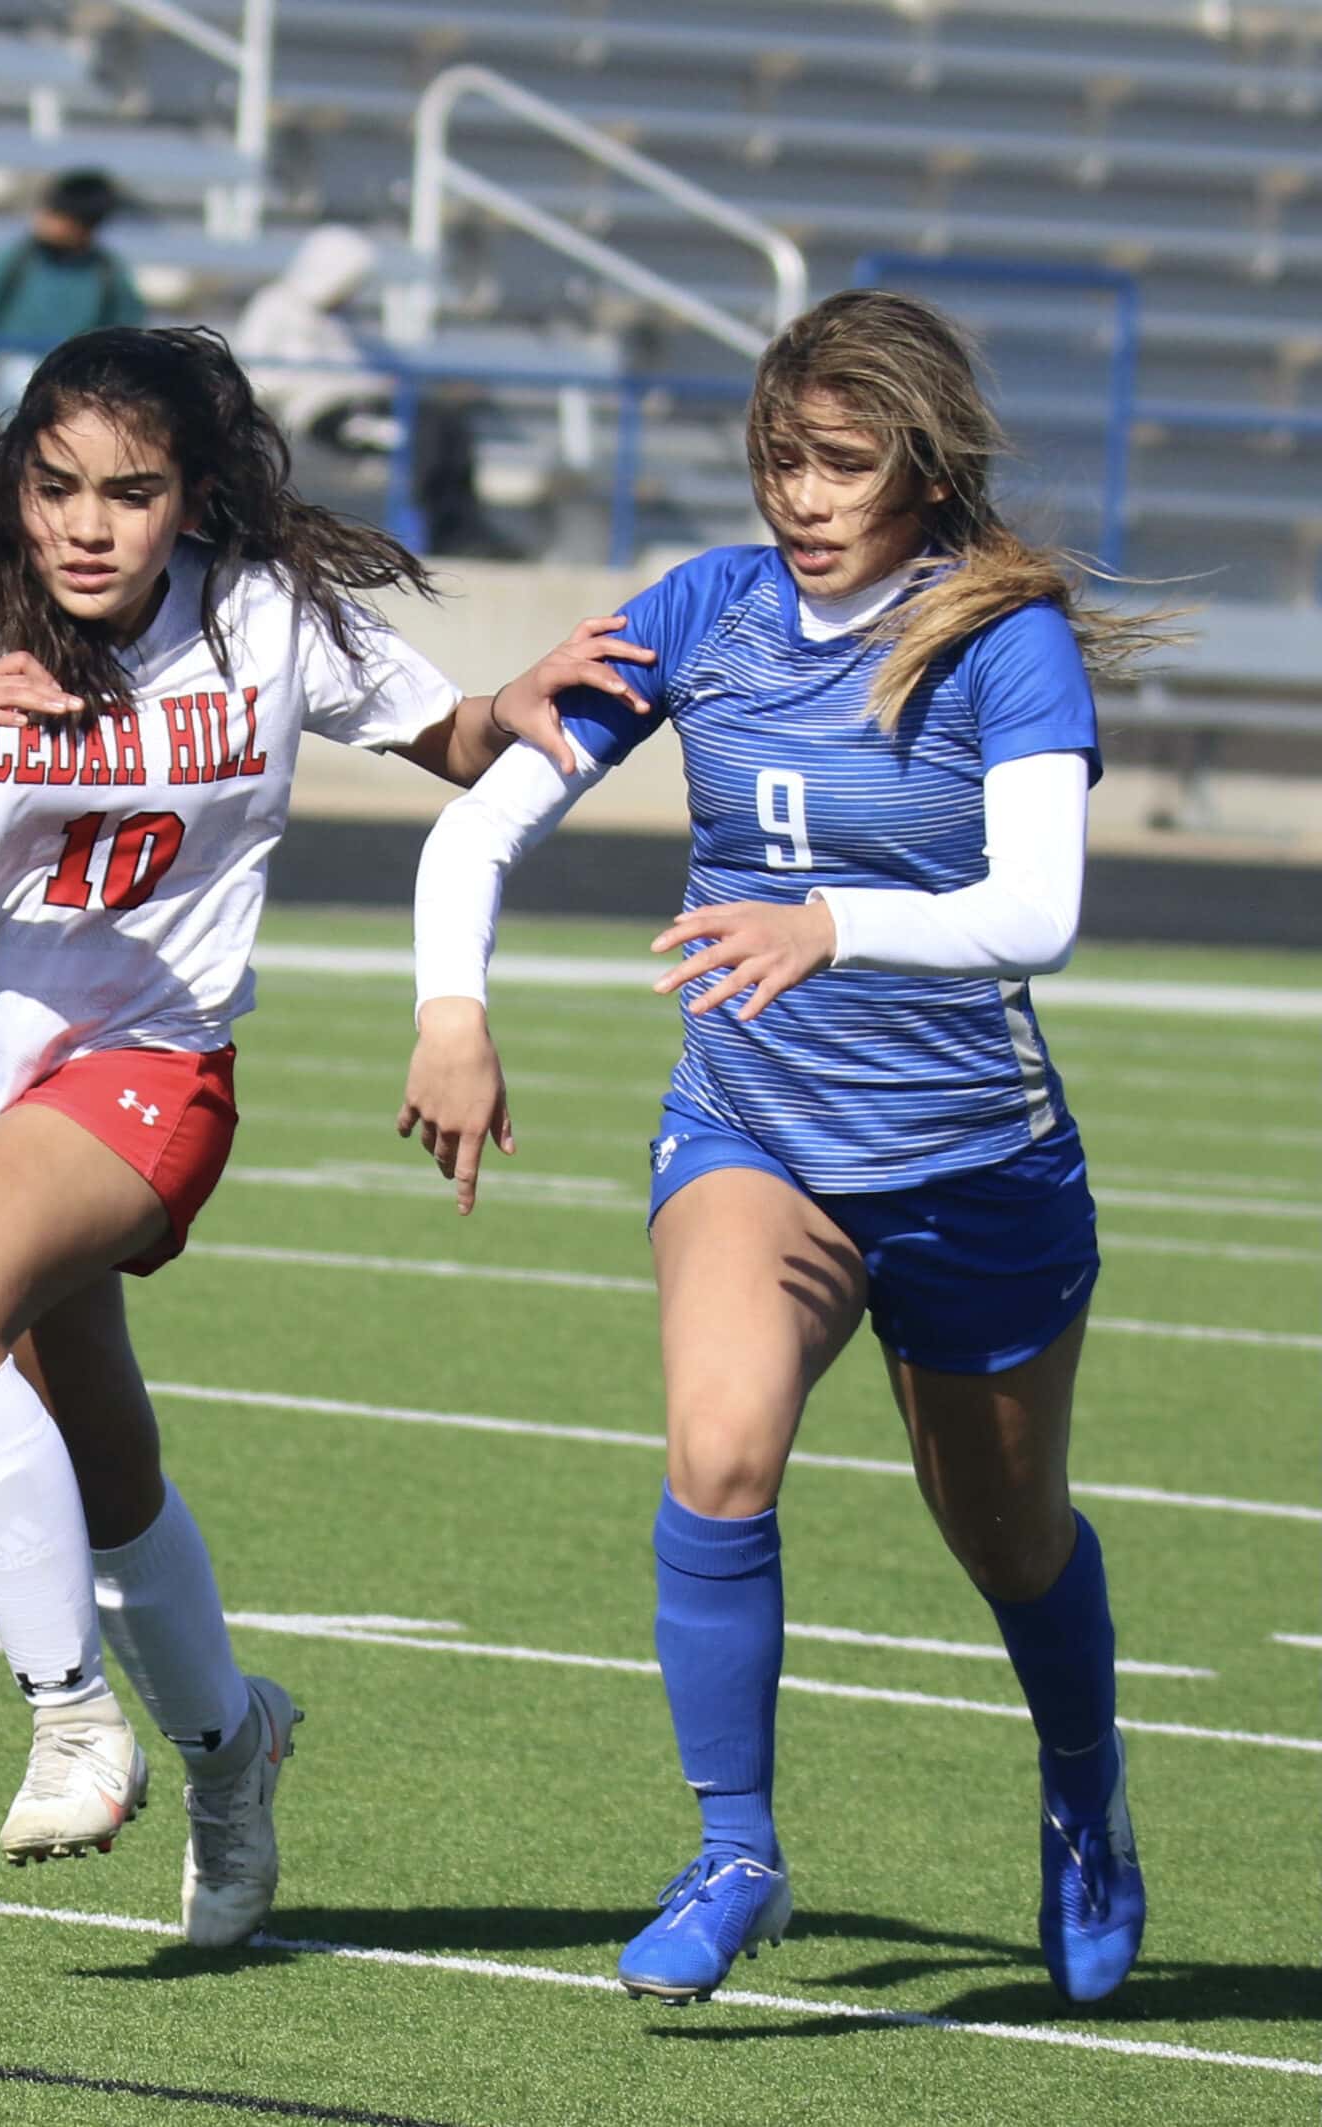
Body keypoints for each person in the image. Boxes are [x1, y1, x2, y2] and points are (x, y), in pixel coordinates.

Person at [399, 288, 1181, 2007]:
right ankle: (736, 1848)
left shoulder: (1000, 631)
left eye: (843, 464)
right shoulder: (707, 610)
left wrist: (835, 923)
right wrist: (450, 1008)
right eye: (781, 460)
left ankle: (1084, 1799)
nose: (805, 498)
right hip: (755, 1134)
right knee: (721, 1440)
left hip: (978, 1168)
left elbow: (1037, 911)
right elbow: (487, 826)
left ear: (921, 462)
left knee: (1010, 1536)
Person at [0, 325, 573, 1945]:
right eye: (56, 484)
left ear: (192, 498)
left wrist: (527, 707)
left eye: (131, 492)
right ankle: (233, 1741)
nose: (86, 523)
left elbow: (457, 738)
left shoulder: (263, 611)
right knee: (103, 1458)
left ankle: (72, 1717)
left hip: (151, 1062)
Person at [234, 225, 504, 558]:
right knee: (421, 439)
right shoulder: (275, 307)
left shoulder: (339, 322)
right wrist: (314, 383)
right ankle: (443, 537)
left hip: (370, 405)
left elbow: (366, 372)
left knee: (447, 424)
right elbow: (254, 375)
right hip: (326, 416)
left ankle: (464, 528)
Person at [0, 170, 144, 448]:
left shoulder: (108, 274)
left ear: (83, 226)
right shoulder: (18, 260)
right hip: (6, 380)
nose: (43, 219)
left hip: (73, 388)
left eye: (57, 213)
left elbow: (128, 337)